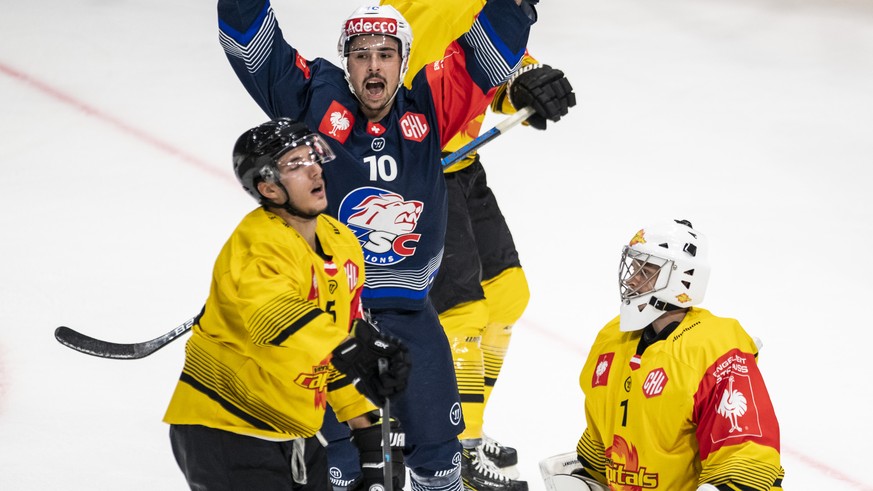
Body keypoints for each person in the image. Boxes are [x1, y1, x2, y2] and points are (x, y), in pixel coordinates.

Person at [216, 0, 573, 489]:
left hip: (411, 317)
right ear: (347, 62)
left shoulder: (430, 105)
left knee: (440, 462)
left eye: (385, 54)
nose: (374, 66)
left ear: (404, 61)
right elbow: (255, 49)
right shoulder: (315, 101)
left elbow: (482, 56)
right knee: (342, 469)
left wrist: (515, 8)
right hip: (334, 325)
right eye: (362, 55)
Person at [163, 118, 411, 490]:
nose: (313, 169)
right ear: (270, 189)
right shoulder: (256, 244)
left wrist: (368, 433)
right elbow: (273, 318)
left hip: (297, 434)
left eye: (312, 157)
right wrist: (350, 345)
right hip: (226, 429)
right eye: (294, 165)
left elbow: (332, 346)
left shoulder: (341, 242)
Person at [544, 219, 785, 491]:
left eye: (647, 270)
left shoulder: (715, 350)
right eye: (634, 267)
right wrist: (588, 477)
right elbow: (601, 439)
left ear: (683, 279)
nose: (633, 279)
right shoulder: (612, 339)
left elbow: (745, 460)